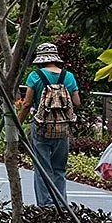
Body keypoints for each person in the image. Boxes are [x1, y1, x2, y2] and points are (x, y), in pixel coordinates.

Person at [18, 41, 81, 207]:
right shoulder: (68, 76)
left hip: (41, 127)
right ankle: (61, 203)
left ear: (40, 59)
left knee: (42, 168)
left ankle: (46, 205)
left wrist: (18, 124)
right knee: (59, 168)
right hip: (62, 128)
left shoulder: (35, 76)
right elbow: (77, 102)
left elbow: (26, 104)